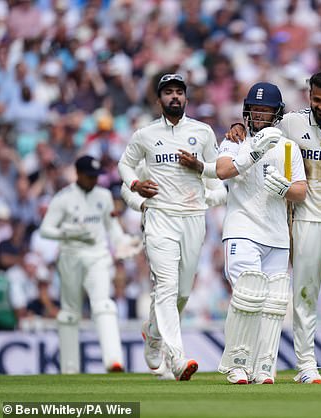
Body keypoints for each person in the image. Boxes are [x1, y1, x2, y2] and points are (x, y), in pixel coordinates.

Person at [227, 70, 321, 384]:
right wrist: (238, 127)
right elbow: (261, 126)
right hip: (306, 218)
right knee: (305, 294)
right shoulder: (292, 123)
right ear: (309, 96)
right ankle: (306, 365)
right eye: (316, 100)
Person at [118, 73, 219, 381]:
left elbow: (218, 176)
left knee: (182, 293)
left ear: (186, 98)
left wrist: (200, 169)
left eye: (179, 92)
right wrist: (136, 188)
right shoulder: (145, 135)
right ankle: (176, 358)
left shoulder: (202, 132)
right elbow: (124, 166)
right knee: (166, 286)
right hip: (160, 216)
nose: (174, 96)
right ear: (158, 99)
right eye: (168, 92)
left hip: (193, 218)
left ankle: (153, 333)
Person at [212, 82, 307, 384]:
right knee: (247, 296)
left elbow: (301, 191)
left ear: (277, 113)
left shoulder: (289, 148)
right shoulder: (234, 141)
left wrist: (284, 188)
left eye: (266, 109)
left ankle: (264, 366)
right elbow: (222, 171)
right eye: (255, 108)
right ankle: (237, 364)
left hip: (277, 236)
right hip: (242, 229)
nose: (260, 114)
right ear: (247, 111)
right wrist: (252, 152)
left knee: (273, 304)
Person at [40, 155, 142, 374]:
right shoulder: (63, 198)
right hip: (70, 256)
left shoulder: (103, 196)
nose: (94, 180)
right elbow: (45, 229)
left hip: (97, 255)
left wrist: (123, 242)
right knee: (70, 313)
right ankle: (69, 368)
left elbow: (112, 227)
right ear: (78, 174)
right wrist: (69, 232)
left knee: (104, 305)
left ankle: (114, 360)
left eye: (96, 176)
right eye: (89, 176)